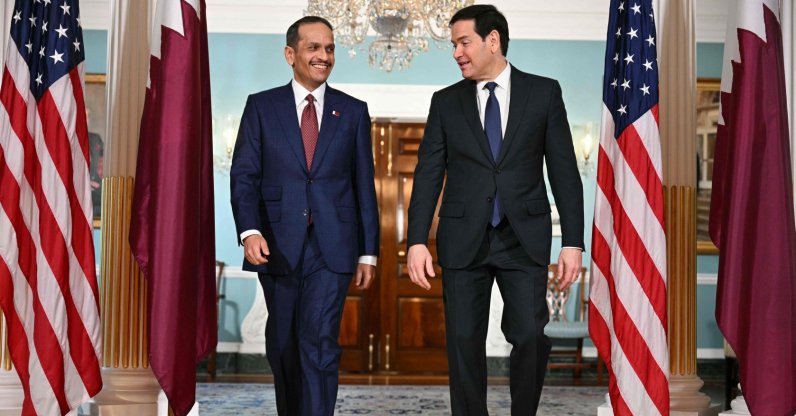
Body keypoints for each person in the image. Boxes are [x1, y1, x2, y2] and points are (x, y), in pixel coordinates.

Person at [406, 4, 584, 414]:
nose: (456, 53)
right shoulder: (445, 102)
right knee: (463, 341)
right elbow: (429, 174)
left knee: (530, 336)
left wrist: (572, 242)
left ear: (492, 40)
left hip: (523, 239)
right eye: (453, 45)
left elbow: (563, 171)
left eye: (463, 42)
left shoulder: (544, 92)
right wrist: (417, 240)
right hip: (462, 239)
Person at [229, 16, 379, 416]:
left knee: (319, 343)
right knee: (283, 346)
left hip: (333, 248)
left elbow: (364, 184)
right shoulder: (261, 107)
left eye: (329, 48)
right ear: (290, 54)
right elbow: (244, 175)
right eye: (314, 48)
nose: (324, 56)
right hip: (275, 245)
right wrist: (249, 231)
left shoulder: (353, 111)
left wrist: (368, 252)